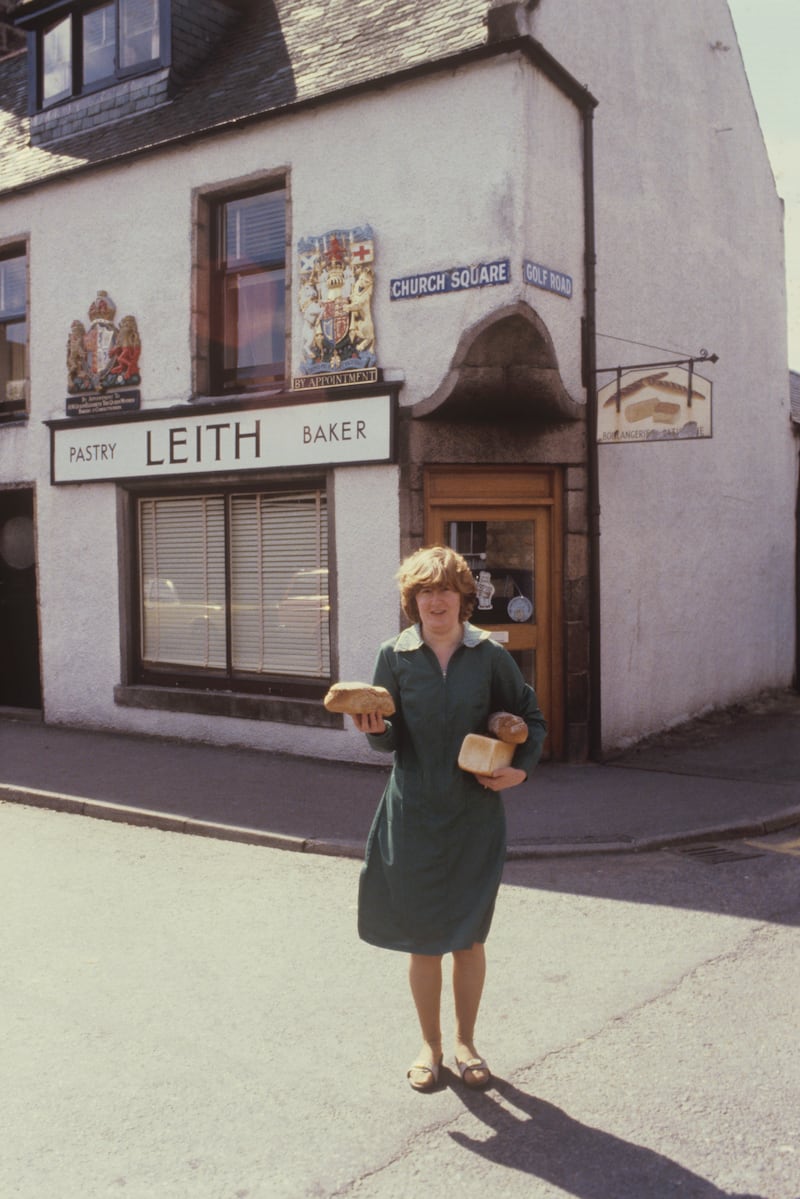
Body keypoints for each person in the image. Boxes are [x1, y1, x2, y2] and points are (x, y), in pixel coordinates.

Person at [352, 545, 547, 1091]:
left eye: (444, 590)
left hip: (473, 814)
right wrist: (373, 727)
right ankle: (430, 1045)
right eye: (423, 591)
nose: (434, 600)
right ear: (411, 600)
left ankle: (466, 1043)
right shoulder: (393, 656)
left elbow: (529, 718)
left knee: (467, 938)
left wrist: (521, 770)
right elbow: (388, 741)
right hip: (411, 812)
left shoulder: (489, 655)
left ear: (463, 597)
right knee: (422, 941)